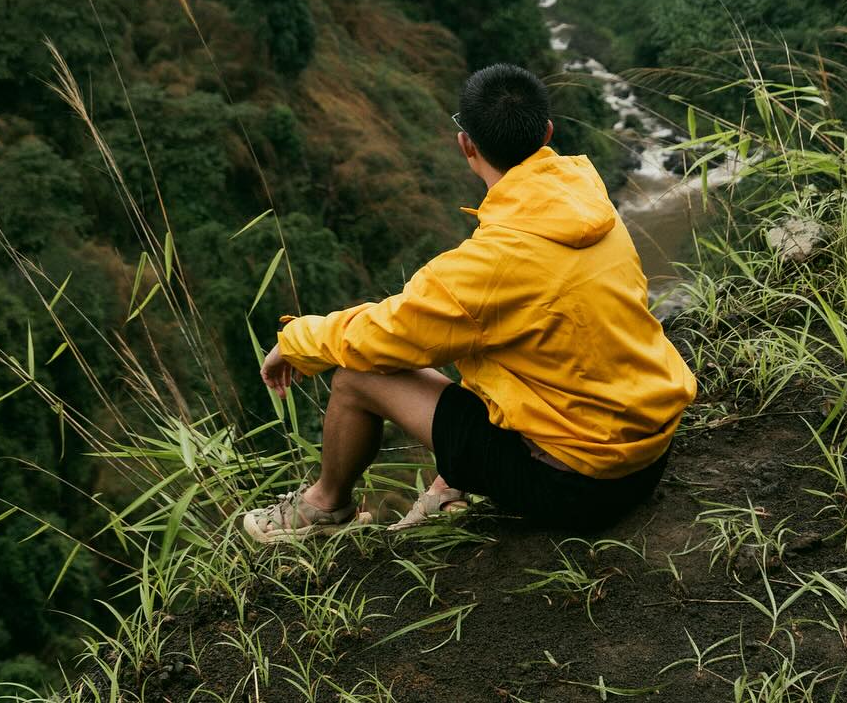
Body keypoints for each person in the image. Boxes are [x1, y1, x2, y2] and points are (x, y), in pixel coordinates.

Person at [242, 63, 696, 542]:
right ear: (547, 132)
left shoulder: (491, 264)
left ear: (467, 146)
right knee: (491, 341)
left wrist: (294, 341)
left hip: (579, 488)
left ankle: (324, 506)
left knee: (357, 376)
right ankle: (448, 487)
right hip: (648, 456)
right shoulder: (593, 204)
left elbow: (381, 336)